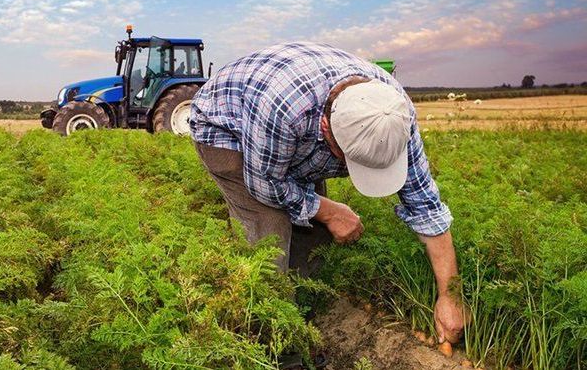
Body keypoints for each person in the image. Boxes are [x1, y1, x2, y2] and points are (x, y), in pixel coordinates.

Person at [189, 42, 466, 345]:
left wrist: (450, 295)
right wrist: (331, 211)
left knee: (313, 232)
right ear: (326, 128)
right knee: (268, 234)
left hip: (290, 131)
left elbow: (426, 206)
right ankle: (272, 338)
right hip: (228, 128)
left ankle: (307, 311)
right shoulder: (284, 109)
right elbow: (266, 184)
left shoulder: (393, 113)